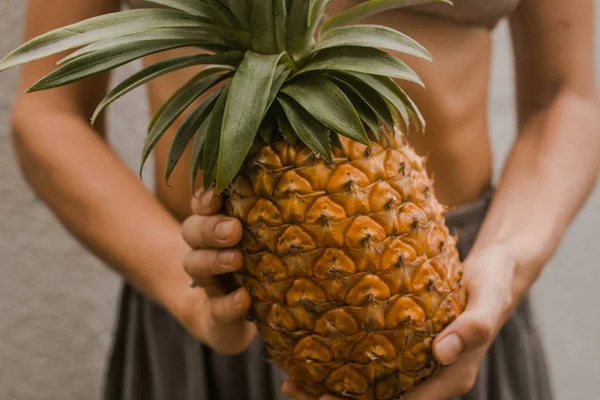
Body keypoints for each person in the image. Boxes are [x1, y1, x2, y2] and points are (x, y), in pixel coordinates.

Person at [9, 0, 598, 399]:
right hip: (208, 293)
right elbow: (48, 110)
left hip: (459, 294)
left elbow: (567, 97)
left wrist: (508, 261)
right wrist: (188, 296)